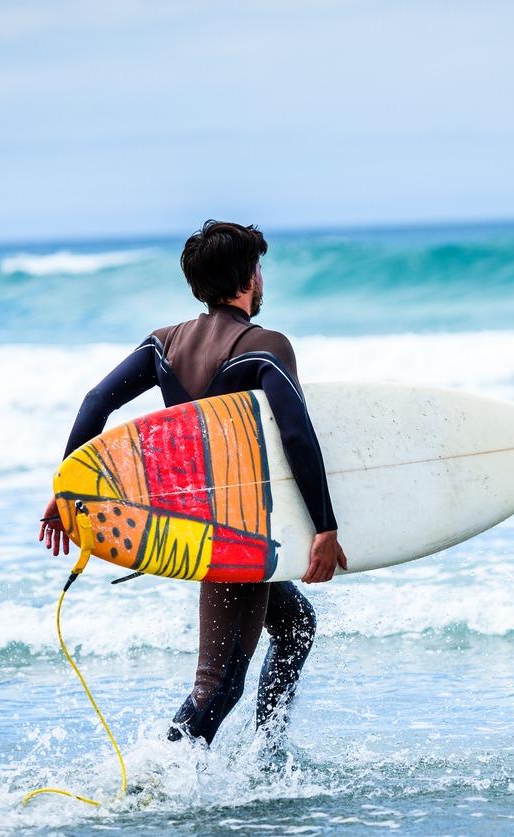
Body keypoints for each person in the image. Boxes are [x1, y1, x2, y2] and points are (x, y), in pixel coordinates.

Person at [39, 220, 347, 751]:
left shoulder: (165, 344)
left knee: (295, 625)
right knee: (218, 686)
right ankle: (155, 784)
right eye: (259, 269)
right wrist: (325, 527)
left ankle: (266, 757)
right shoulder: (265, 345)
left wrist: (71, 485)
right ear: (250, 276)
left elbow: (97, 401)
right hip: (239, 531)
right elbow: (296, 432)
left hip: (195, 521)